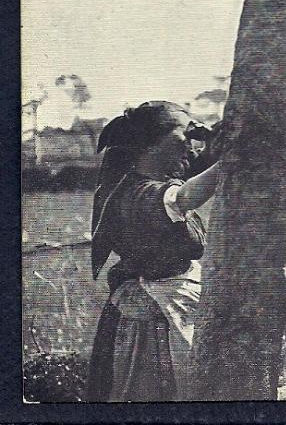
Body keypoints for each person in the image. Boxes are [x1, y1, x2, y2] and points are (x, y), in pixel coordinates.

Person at [86, 101, 222, 402]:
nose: (190, 148)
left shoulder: (152, 181)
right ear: (149, 146)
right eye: (182, 140)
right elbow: (184, 196)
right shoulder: (138, 193)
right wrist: (233, 161)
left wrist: (215, 143)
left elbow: (196, 167)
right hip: (150, 318)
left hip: (167, 298)